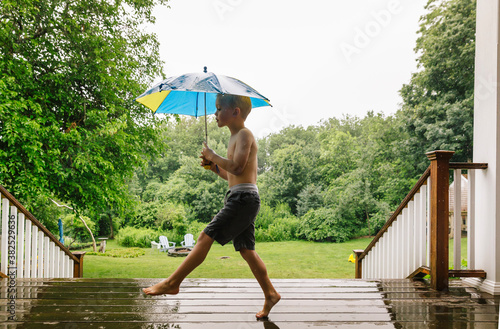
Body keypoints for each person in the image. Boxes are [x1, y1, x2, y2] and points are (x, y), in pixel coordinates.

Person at [143, 94, 281, 319]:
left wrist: (213, 156)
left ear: (235, 111)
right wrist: (214, 168)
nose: (214, 114)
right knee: (246, 250)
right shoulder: (234, 137)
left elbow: (237, 167)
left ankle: (172, 283)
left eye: (218, 109)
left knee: (204, 237)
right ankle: (271, 294)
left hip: (243, 199)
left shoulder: (245, 134)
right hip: (239, 196)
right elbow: (232, 175)